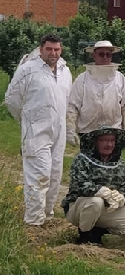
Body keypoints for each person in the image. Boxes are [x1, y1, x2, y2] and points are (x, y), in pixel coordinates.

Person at [5, 34, 73, 225]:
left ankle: (48, 215)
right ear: (41, 49)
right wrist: (28, 119)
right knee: (39, 175)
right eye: (49, 49)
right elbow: (12, 99)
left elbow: (66, 100)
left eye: (57, 49)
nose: (53, 53)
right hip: (36, 132)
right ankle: (34, 222)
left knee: (54, 174)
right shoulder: (28, 69)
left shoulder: (64, 71)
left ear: (61, 50)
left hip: (58, 131)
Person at [61, 127, 125, 244]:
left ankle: (97, 231)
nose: (109, 144)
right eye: (104, 140)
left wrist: (121, 197)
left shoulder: (120, 164)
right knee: (96, 202)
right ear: (95, 142)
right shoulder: (82, 160)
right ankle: (84, 237)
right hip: (79, 207)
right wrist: (101, 191)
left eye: (112, 141)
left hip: (106, 208)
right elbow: (79, 185)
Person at [66, 40, 125, 146]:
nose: (105, 57)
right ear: (94, 55)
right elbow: (73, 106)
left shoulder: (120, 78)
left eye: (108, 54)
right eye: (101, 54)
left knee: (111, 162)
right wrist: (70, 129)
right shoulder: (82, 79)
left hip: (112, 132)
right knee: (88, 162)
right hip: (87, 132)